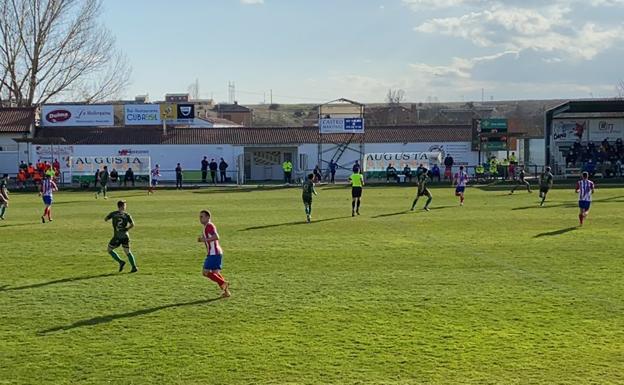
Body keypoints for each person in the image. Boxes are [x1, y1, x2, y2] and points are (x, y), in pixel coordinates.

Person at [198, 209, 231, 298]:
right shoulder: (207, 226)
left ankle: (223, 283)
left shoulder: (209, 226)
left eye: (202, 216)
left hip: (214, 253)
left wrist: (203, 240)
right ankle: (226, 292)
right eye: (199, 217)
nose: (200, 219)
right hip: (216, 252)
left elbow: (216, 236)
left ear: (208, 217)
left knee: (205, 272)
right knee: (215, 273)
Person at [105, 200, 138, 273]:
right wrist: (126, 229)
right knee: (128, 252)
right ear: (122, 206)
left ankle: (120, 262)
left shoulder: (113, 214)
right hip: (125, 236)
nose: (126, 207)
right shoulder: (127, 215)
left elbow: (106, 219)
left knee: (109, 250)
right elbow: (132, 224)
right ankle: (134, 267)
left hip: (117, 236)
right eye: (125, 205)